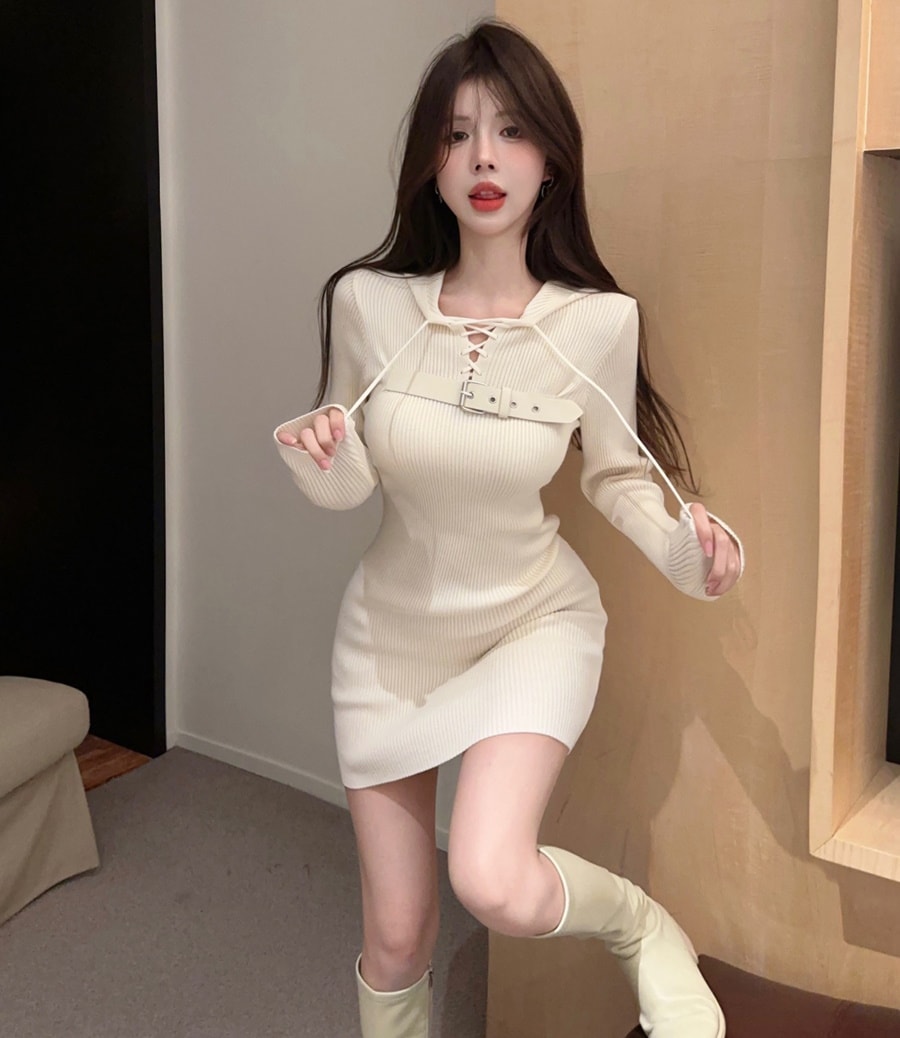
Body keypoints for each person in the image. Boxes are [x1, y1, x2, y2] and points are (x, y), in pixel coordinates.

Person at [273, 17, 743, 1038]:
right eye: (457, 134)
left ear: (551, 161)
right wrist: (318, 452)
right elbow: (351, 482)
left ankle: (641, 926)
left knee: (492, 878)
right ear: (430, 163)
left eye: (512, 131)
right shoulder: (367, 303)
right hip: (391, 638)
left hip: (531, 619)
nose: (484, 158)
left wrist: (689, 551)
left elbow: (616, 474)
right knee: (396, 937)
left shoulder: (596, 322)